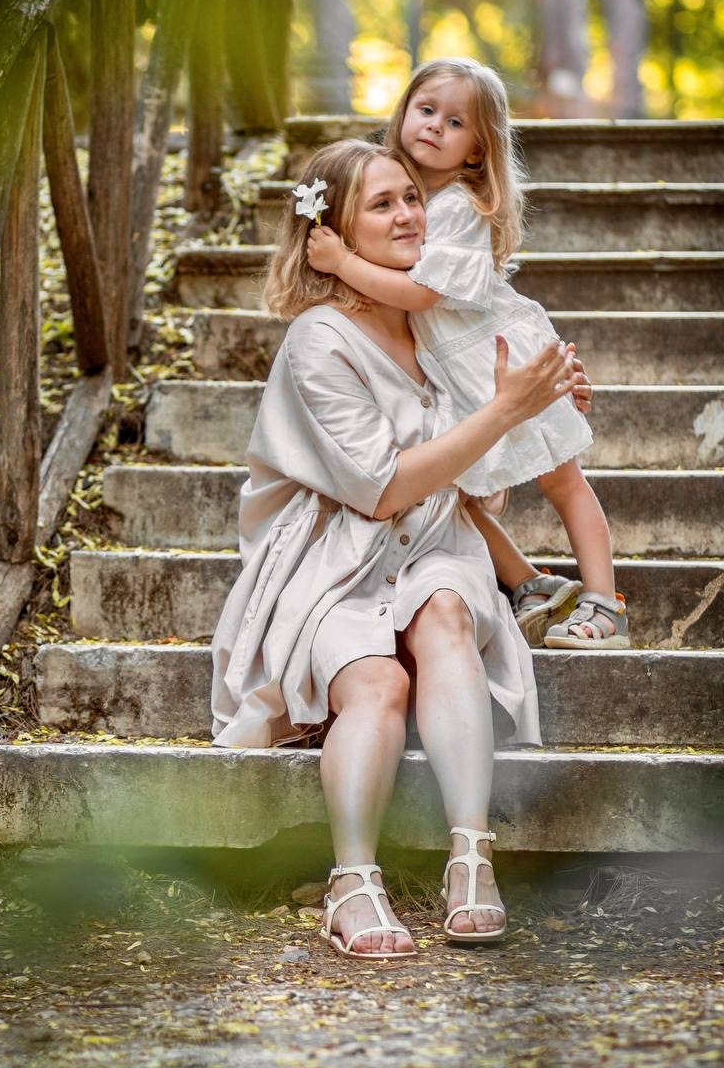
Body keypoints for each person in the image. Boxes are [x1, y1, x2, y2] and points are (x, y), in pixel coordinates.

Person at [211, 140, 581, 960]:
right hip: (332, 558)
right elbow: (379, 489)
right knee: (374, 682)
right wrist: (504, 412)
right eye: (381, 205)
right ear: (329, 230)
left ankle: (470, 857)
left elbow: (485, 460)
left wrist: (544, 403)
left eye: (410, 196)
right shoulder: (319, 341)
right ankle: (352, 881)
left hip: (436, 544)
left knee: (446, 612)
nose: (409, 214)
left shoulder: (436, 320)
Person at [308, 57, 629, 650]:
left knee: (563, 482)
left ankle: (605, 603)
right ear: (403, 111)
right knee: (446, 487)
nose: (433, 126)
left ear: (477, 152)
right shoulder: (407, 194)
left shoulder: (458, 206)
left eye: (454, 122)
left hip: (499, 361)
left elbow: (420, 291)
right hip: (450, 372)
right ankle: (527, 581)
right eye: (425, 110)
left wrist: (341, 262)